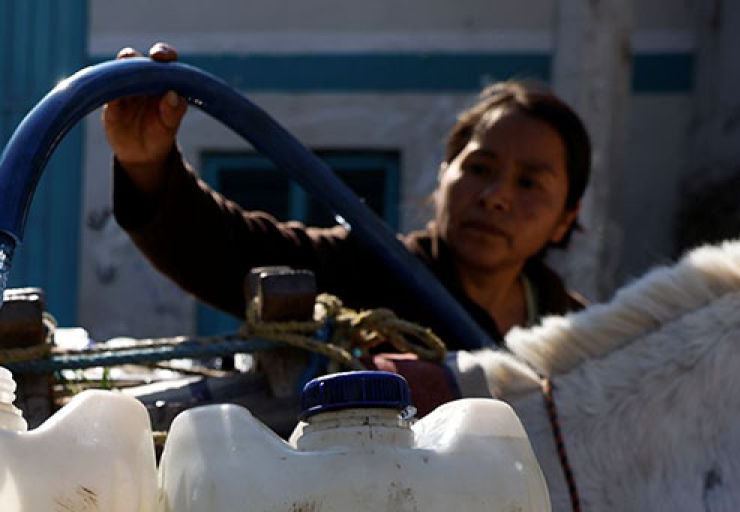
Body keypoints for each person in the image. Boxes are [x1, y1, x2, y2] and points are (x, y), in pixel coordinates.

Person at [103, 43, 590, 348]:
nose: (496, 196)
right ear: (444, 175)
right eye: (479, 168)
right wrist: (147, 162)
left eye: (529, 182)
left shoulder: (582, 337)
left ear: (566, 218)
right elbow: (230, 249)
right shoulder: (373, 270)